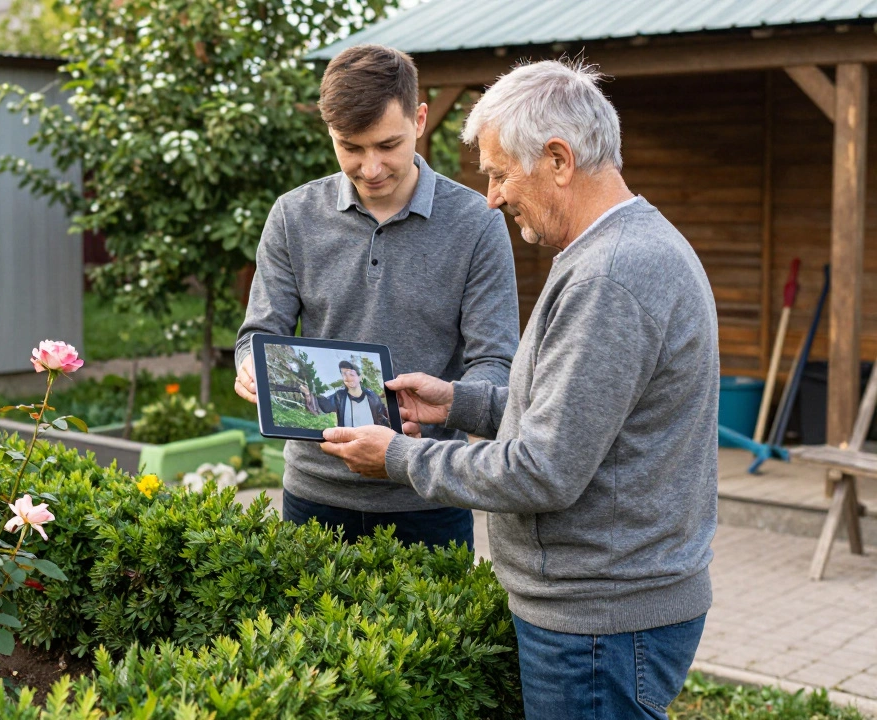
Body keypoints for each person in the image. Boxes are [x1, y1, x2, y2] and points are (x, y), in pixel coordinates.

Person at [319, 59, 719, 720]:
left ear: (558, 159)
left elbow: (542, 470)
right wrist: (460, 402)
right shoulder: (617, 251)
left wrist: (395, 457)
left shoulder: (612, 275)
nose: (494, 197)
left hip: (601, 621)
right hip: (607, 613)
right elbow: (576, 419)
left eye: (501, 173)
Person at [233, 43, 520, 551]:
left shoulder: (478, 225)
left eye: (387, 145)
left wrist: (447, 405)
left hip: (427, 496)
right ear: (330, 133)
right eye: (351, 147)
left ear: (421, 119)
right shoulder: (291, 215)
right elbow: (260, 333)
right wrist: (251, 364)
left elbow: (495, 362)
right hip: (313, 495)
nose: (370, 168)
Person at [298, 360, 390, 428]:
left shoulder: (373, 397)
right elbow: (323, 406)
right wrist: (308, 394)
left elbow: (382, 418)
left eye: (351, 374)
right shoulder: (339, 396)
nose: (348, 378)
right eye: (344, 374)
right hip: (345, 443)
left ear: (360, 377)